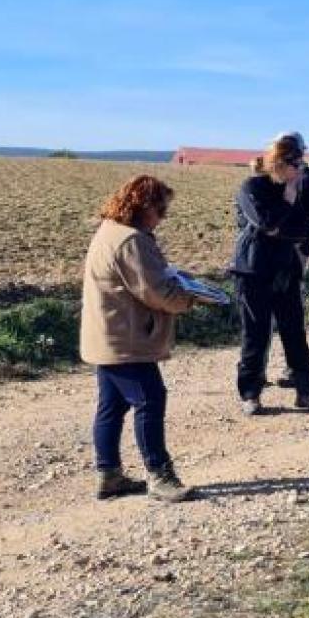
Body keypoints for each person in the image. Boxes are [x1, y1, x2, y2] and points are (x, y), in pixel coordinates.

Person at [79, 176, 204, 503]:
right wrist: (190, 298)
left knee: (112, 405)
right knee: (150, 399)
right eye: (160, 209)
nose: (162, 217)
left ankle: (109, 475)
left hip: (107, 335)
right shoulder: (131, 241)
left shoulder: (109, 230)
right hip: (127, 339)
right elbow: (155, 290)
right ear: (142, 205)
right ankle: (159, 476)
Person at [230, 139, 309, 416]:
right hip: (253, 271)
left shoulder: (295, 189)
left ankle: (307, 393)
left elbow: (304, 228)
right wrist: (286, 203)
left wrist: (284, 220)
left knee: (294, 332)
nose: (301, 170)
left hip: (285, 269)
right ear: (281, 163)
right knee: (256, 334)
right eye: (296, 164)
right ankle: (250, 393)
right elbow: (266, 223)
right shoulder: (252, 187)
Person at [269, 132, 309, 394]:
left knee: (289, 310)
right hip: (269, 252)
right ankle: (259, 369)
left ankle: (293, 368)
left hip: (294, 252)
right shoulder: (269, 178)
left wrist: (298, 236)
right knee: (268, 311)